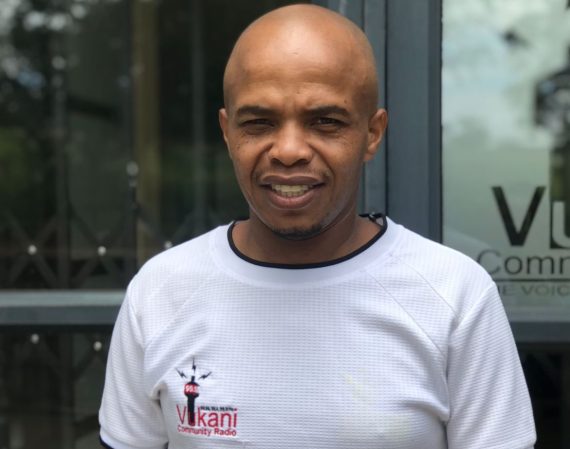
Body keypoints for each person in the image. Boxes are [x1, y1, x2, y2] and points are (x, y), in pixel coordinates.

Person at [99, 4, 536, 449]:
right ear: (228, 133)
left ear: (372, 133)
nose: (289, 150)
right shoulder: (161, 292)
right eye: (259, 122)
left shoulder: (454, 295)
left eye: (325, 122)